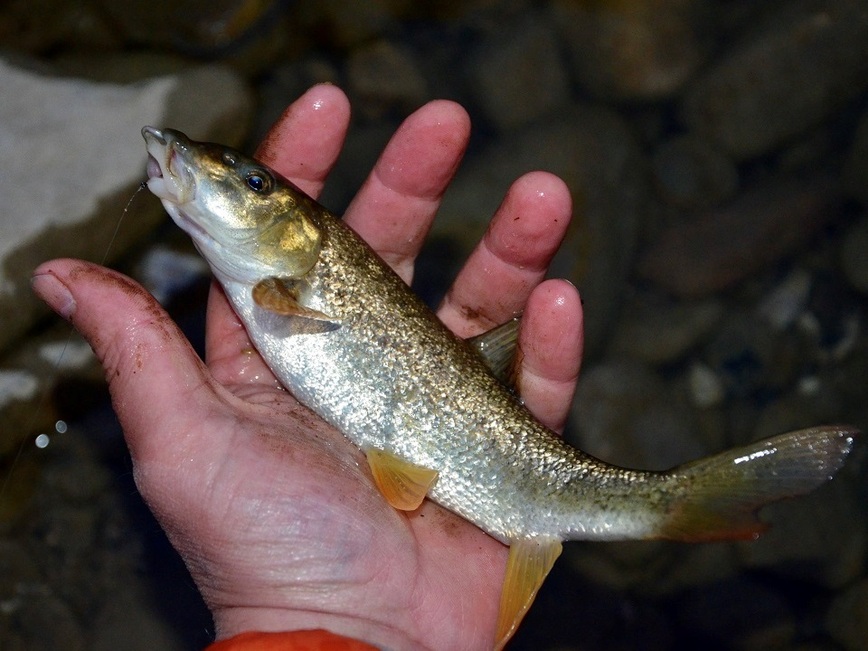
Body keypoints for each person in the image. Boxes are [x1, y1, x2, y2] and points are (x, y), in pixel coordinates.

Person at [32, 84, 584, 651]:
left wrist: (304, 618)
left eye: (256, 185)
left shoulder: (277, 288)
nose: (248, 183)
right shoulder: (266, 282)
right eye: (257, 183)